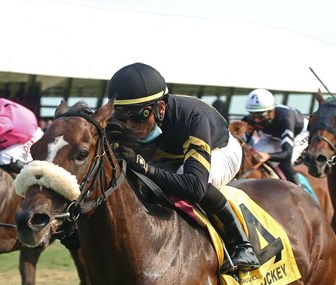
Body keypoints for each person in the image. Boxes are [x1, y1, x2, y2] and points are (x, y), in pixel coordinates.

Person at [108, 62, 259, 273]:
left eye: (138, 116)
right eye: (122, 118)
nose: (130, 126)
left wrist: (145, 167)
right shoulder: (123, 124)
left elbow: (195, 186)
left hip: (221, 149)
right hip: (174, 157)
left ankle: (242, 245)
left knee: (182, 179)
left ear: (160, 108)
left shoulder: (192, 118)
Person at [242, 88, 309, 186]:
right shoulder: (251, 119)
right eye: (252, 115)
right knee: (252, 157)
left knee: (283, 162)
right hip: (272, 137)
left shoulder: (285, 118)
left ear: (271, 111)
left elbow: (287, 154)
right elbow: (244, 144)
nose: (256, 120)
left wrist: (268, 155)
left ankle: (298, 190)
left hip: (299, 134)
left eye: (261, 115)